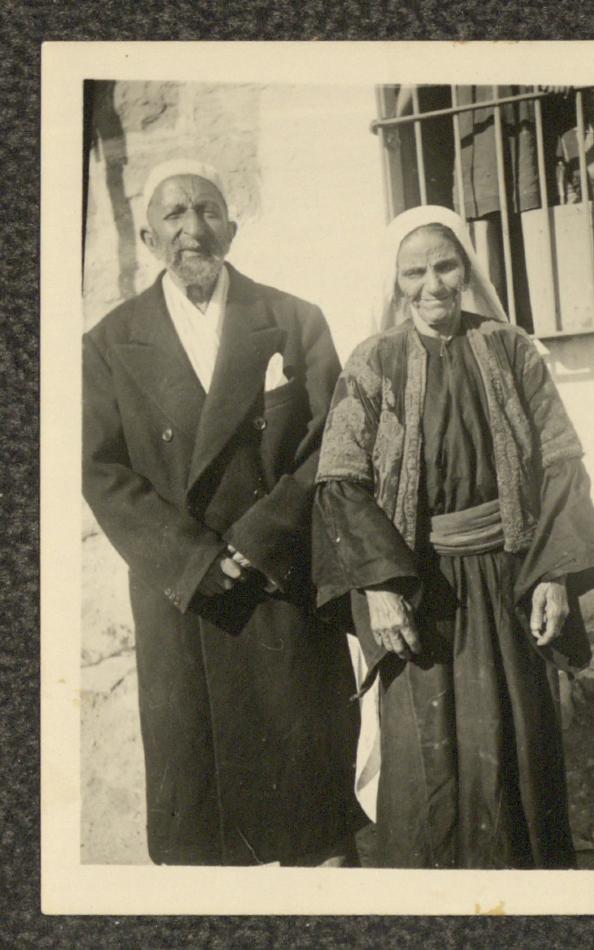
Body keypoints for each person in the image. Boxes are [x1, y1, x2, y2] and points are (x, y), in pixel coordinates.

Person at [82, 158, 360, 866]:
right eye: (173, 215)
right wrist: (199, 558)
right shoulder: (108, 345)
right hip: (185, 599)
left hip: (281, 588)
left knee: (310, 825)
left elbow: (334, 440)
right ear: (148, 238)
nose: (192, 229)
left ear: (232, 227)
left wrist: (261, 538)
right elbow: (100, 470)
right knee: (203, 830)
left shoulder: (294, 320)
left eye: (206, 210)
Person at [313, 205, 594, 869]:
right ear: (395, 281)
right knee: (427, 762)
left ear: (467, 268)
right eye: (414, 271)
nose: (433, 284)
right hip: (419, 591)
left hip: (509, 582)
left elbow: (560, 465)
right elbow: (340, 481)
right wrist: (381, 588)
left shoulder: (511, 350)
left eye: (446, 265)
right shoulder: (373, 362)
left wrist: (555, 575)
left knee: (518, 744)